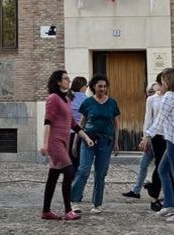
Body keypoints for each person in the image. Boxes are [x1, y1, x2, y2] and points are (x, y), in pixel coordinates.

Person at [141, 68, 174, 221]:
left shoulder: (169, 96)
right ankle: (169, 204)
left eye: (161, 82)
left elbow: (159, 119)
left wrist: (147, 136)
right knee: (162, 170)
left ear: (166, 82)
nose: (160, 85)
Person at [70, 74, 120, 213]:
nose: (102, 89)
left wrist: (116, 142)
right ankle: (74, 200)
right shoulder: (88, 102)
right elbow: (82, 122)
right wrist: (75, 142)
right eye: (99, 86)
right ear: (93, 87)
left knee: (100, 173)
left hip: (106, 141)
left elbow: (116, 124)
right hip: (88, 140)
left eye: (104, 86)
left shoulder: (112, 103)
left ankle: (97, 204)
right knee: (83, 170)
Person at [41, 70, 84, 220]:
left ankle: (46, 211)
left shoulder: (66, 99)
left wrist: (85, 137)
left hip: (65, 142)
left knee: (52, 177)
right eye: (66, 79)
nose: (69, 81)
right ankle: (68, 210)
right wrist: (45, 144)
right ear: (58, 82)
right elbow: (47, 121)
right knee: (69, 171)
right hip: (55, 142)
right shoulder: (53, 98)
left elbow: (73, 123)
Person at [125, 79, 162, 199]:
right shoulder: (150, 101)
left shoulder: (162, 100)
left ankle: (159, 191)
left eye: (153, 90)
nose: (151, 93)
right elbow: (148, 120)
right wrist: (145, 137)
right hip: (150, 139)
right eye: (149, 91)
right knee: (143, 165)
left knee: (161, 166)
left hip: (159, 139)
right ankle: (136, 191)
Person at [69, 76, 89, 165]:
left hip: (67, 134)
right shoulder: (87, 100)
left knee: (70, 161)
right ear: (83, 86)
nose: (87, 88)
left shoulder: (67, 98)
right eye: (86, 85)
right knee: (80, 162)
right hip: (81, 134)